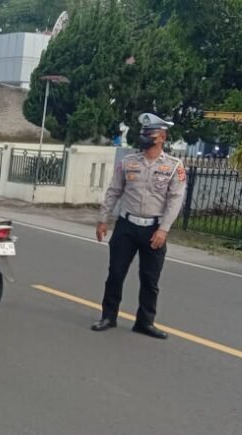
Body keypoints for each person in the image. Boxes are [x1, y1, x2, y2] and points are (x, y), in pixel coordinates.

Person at [92, 113, 188, 340]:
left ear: (162, 137)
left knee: (150, 279)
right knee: (115, 274)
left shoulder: (174, 166)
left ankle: (145, 322)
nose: (145, 137)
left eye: (150, 134)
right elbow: (114, 191)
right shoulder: (127, 162)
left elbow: (175, 200)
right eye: (143, 133)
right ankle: (108, 316)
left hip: (153, 229)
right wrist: (103, 219)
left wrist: (164, 229)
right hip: (126, 226)